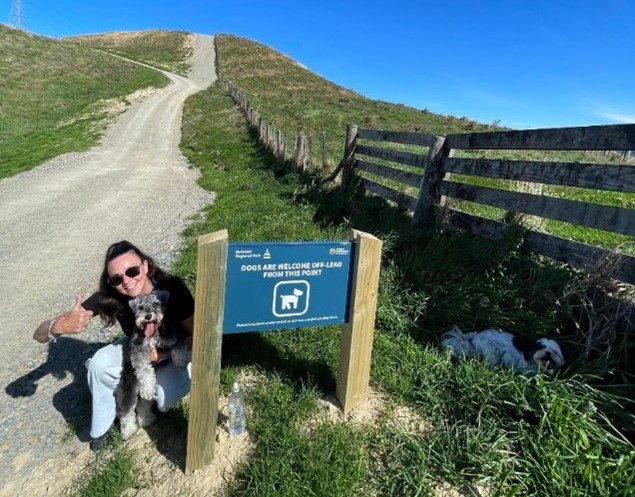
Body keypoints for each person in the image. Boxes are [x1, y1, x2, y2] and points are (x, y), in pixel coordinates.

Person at [33, 240, 194, 451]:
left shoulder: (171, 289)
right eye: (117, 278)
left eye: (132, 271)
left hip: (178, 349)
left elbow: (199, 334)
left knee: (162, 399)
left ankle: (148, 402)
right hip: (139, 345)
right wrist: (57, 326)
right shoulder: (112, 297)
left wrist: (163, 355)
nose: (126, 281)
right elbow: (38, 335)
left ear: (145, 266)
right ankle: (103, 427)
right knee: (98, 365)